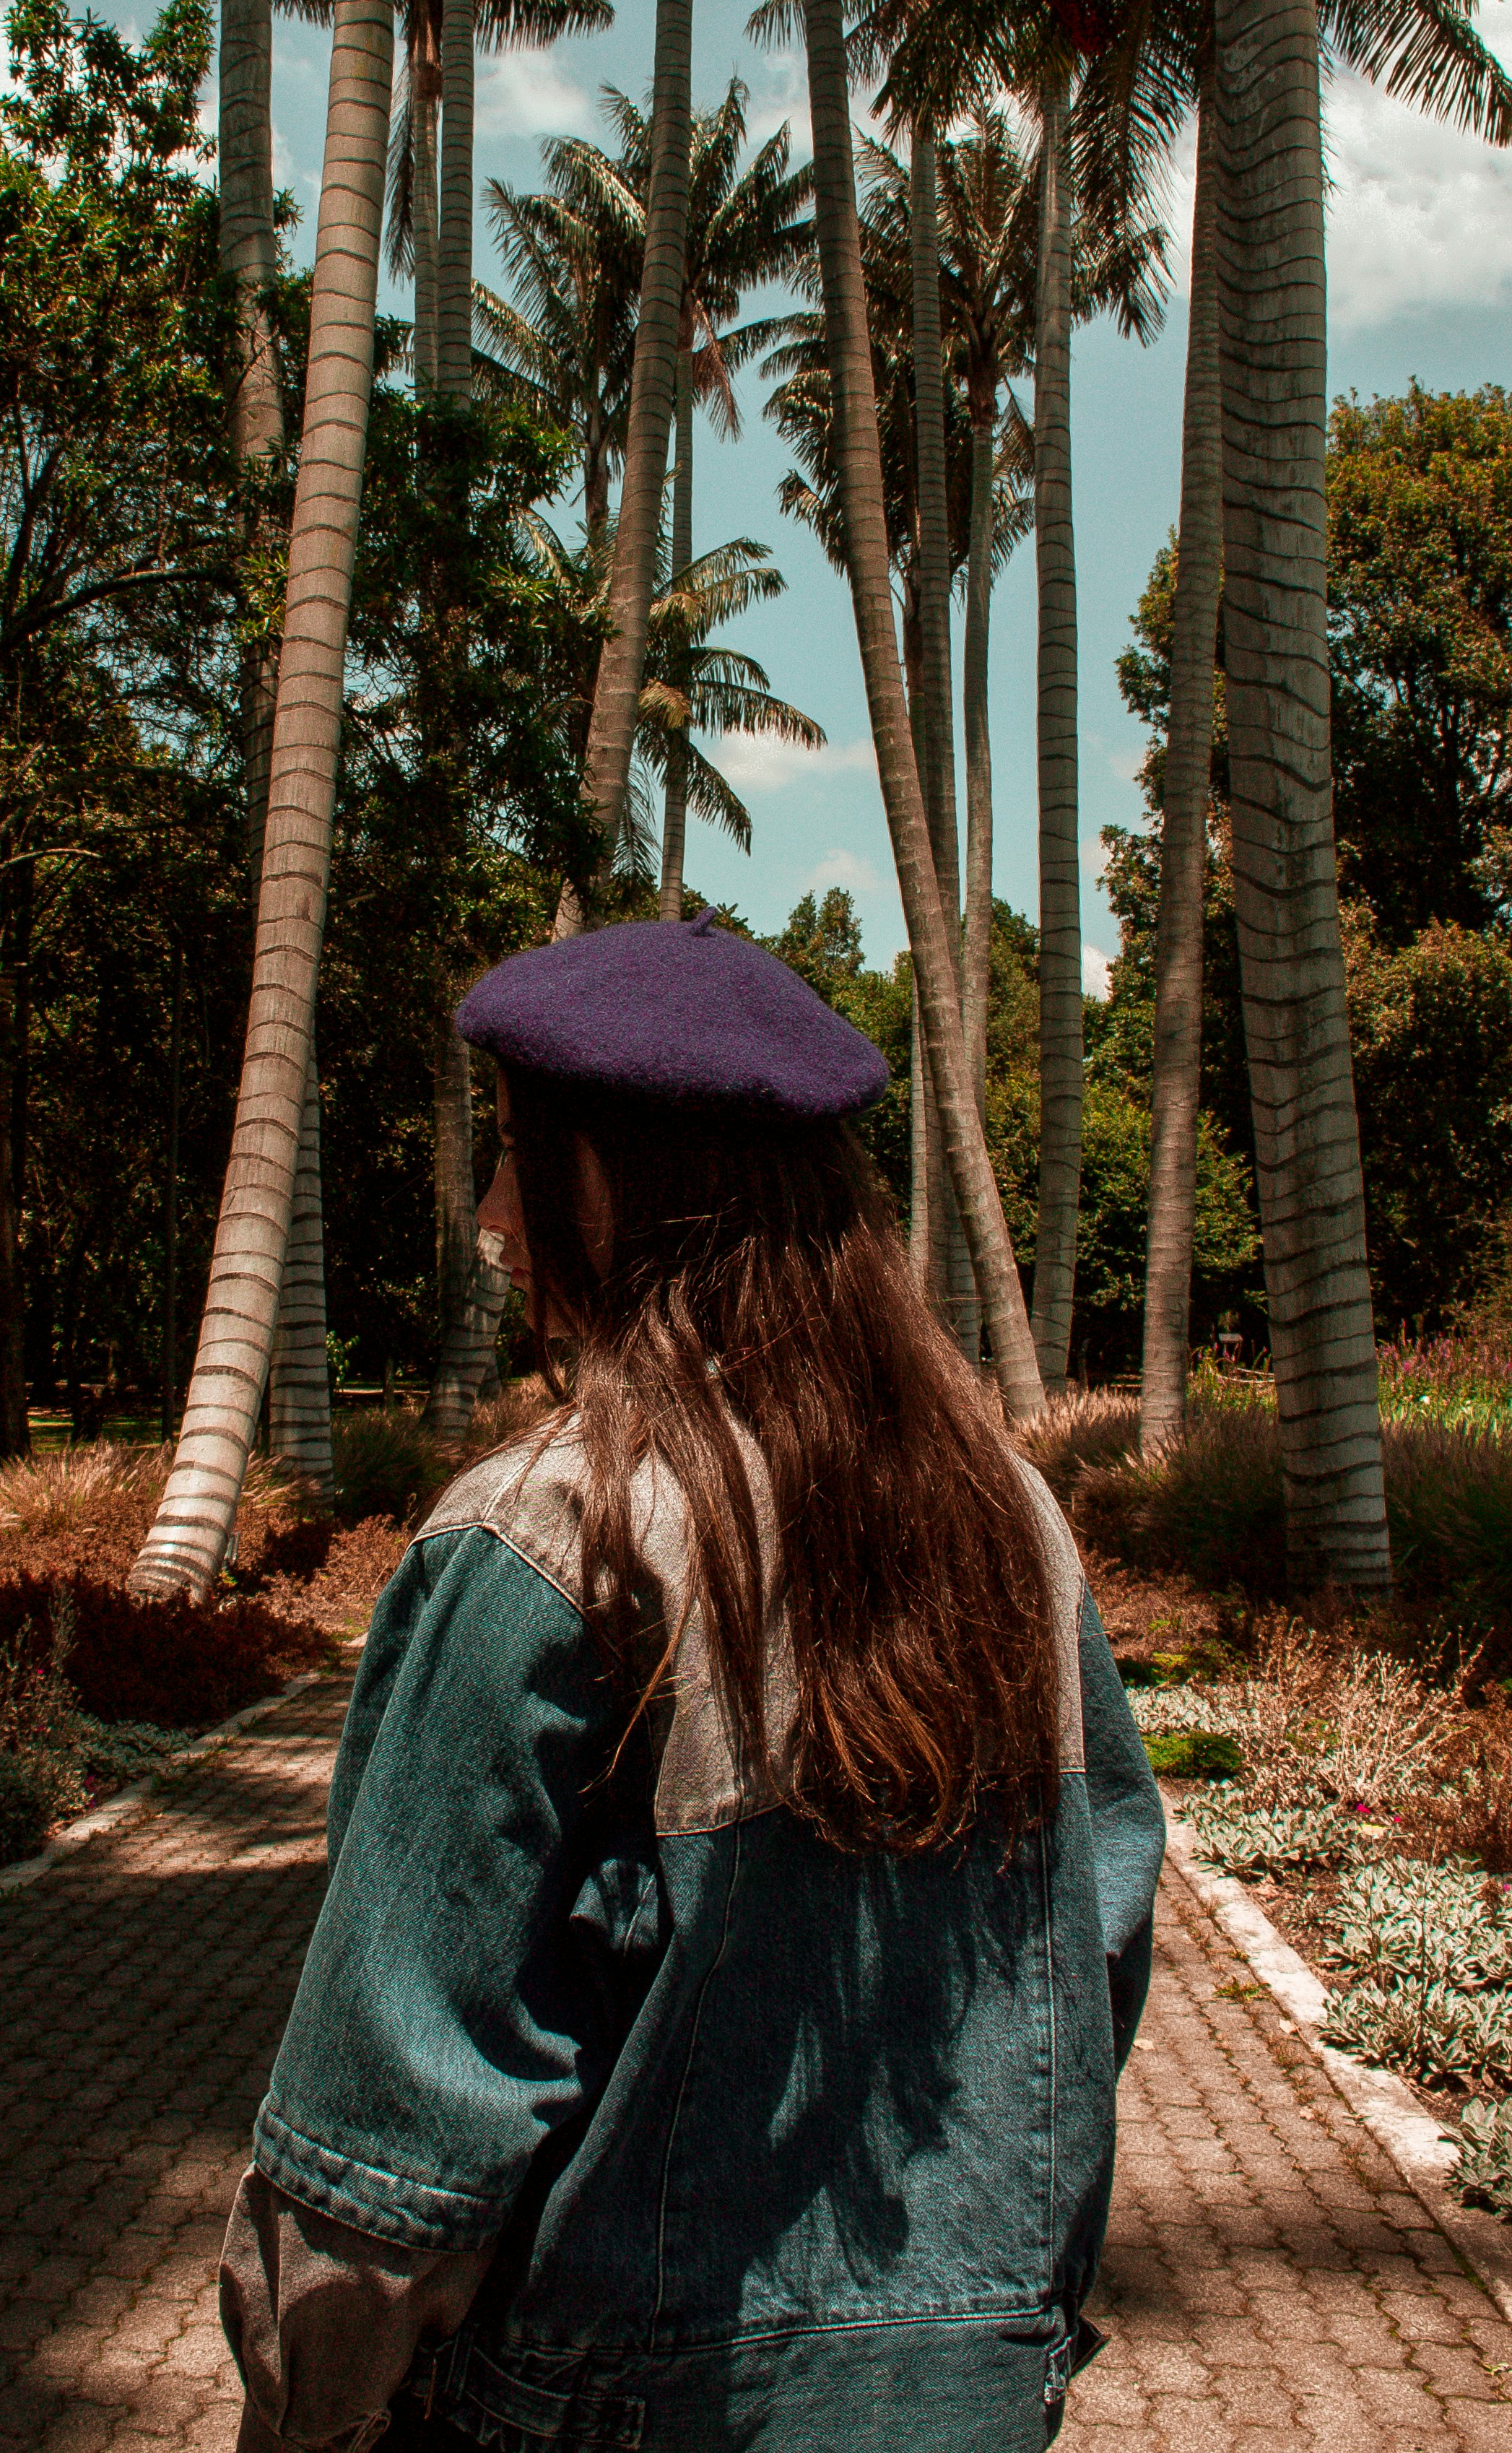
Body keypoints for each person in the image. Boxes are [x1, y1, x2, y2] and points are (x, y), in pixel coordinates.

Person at [220, 912, 1165, 2452]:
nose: (492, 1215)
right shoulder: (1011, 1519)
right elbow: (1091, 1947)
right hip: (966, 2390)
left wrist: (299, 2415)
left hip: (609, 2403)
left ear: (618, 1177)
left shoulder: (545, 1538)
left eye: (519, 1156)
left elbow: (389, 2122)